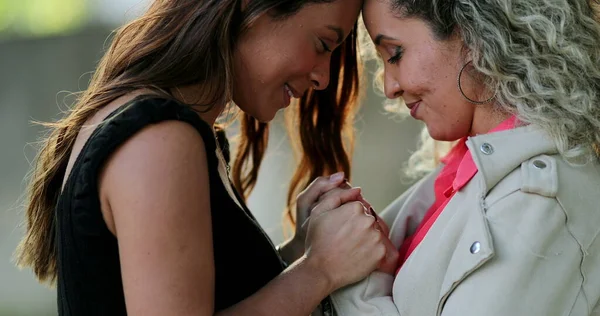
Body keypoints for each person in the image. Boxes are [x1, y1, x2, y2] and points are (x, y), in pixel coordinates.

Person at [13, 1, 399, 315]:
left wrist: (301, 250)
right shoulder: (157, 138)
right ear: (253, 9)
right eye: (322, 44)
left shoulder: (181, 132)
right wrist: (319, 271)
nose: (323, 77)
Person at [329, 0, 600, 315]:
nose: (390, 87)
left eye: (395, 54)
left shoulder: (543, 202)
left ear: (472, 36)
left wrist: (350, 279)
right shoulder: (467, 171)